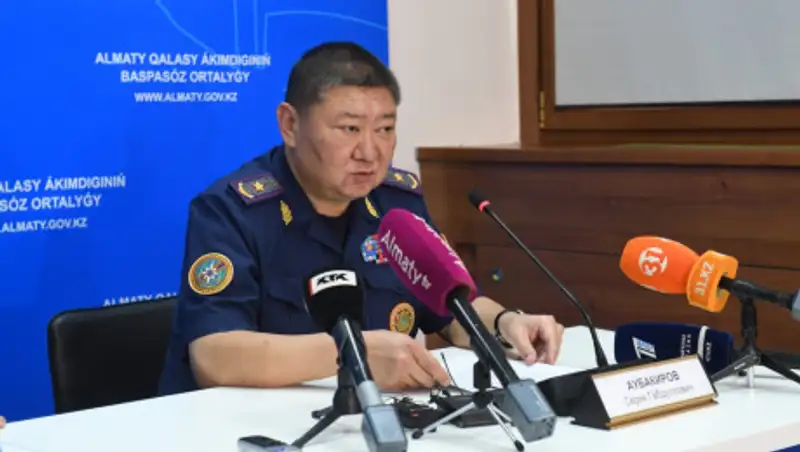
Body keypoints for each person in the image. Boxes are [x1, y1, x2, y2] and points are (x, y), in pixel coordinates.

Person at [158, 41, 565, 396]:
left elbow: (452, 311)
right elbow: (213, 356)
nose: (370, 153)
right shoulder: (232, 210)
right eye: (350, 129)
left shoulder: (397, 202)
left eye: (385, 129)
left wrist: (506, 323)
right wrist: (354, 352)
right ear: (290, 125)